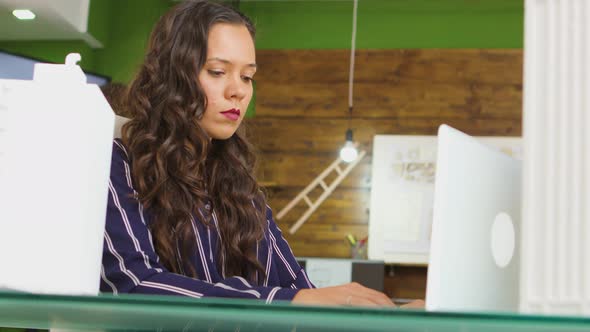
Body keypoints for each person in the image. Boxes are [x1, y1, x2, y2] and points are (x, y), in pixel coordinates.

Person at [101, 0, 420, 308]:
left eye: (247, 76)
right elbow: (132, 285)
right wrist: (292, 301)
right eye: (216, 71)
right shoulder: (118, 164)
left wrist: (382, 317)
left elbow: (297, 287)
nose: (238, 90)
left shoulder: (240, 187)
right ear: (171, 77)